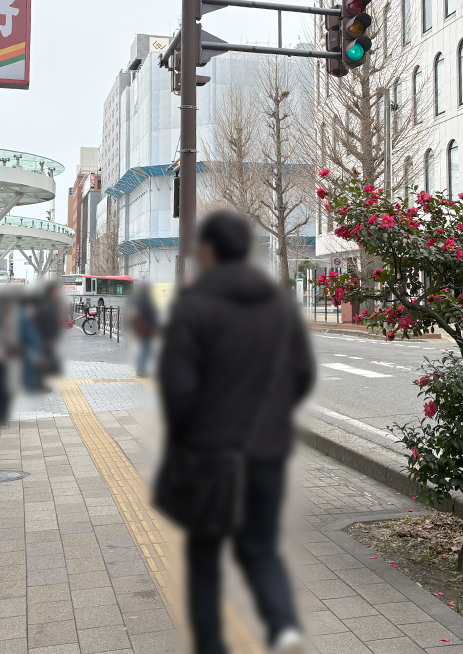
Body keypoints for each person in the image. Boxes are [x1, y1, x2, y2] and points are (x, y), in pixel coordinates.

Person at [159, 210, 315, 654]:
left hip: (210, 454)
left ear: (208, 251)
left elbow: (178, 391)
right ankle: (284, 629)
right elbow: (301, 375)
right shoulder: (279, 305)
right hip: (267, 450)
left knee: (204, 555)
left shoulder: (193, 307)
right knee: (261, 548)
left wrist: (189, 436)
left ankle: (212, 646)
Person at [0, 295, 42, 423]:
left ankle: (3, 413)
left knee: (8, 387)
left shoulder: (21, 319)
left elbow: (32, 337)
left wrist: (38, 353)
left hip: (14, 360)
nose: (4, 309)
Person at [33, 282, 64, 388]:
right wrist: (47, 339)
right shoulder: (47, 306)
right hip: (46, 339)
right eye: (56, 292)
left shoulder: (48, 304)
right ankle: (39, 382)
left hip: (47, 339)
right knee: (44, 360)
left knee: (46, 360)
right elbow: (45, 323)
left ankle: (41, 381)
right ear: (51, 292)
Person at [130, 281, 159, 377]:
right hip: (146, 329)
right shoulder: (145, 301)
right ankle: (140, 370)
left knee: (145, 350)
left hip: (143, 329)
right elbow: (149, 315)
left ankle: (141, 370)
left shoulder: (141, 300)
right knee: (146, 350)